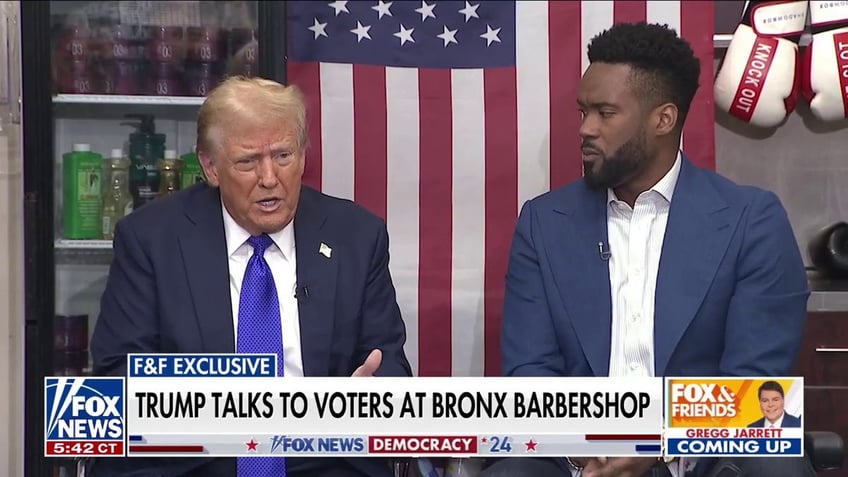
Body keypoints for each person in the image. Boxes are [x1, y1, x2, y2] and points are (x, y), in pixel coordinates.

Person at [482, 22, 813, 477]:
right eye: (583, 112)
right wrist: (586, 447)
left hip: (703, 458)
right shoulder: (544, 223)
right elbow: (529, 371)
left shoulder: (751, 220)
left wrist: (658, 439)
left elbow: (754, 387)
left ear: (663, 119)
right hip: (574, 457)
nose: (585, 129)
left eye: (605, 112)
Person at [90, 76, 412, 477]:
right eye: (247, 161)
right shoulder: (151, 240)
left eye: (283, 156)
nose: (269, 178)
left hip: (325, 461)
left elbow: (389, 366)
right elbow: (118, 377)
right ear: (210, 167)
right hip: (201, 463)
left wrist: (369, 399)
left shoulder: (356, 236)